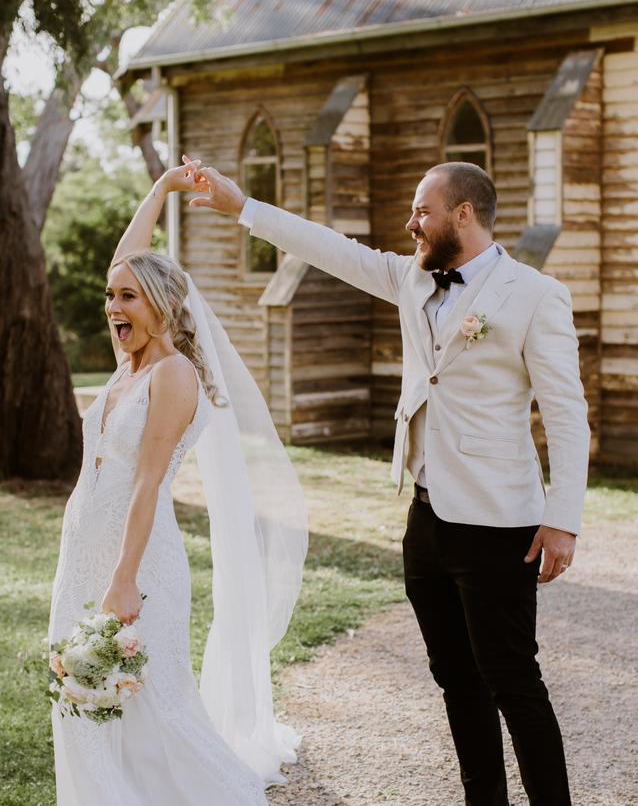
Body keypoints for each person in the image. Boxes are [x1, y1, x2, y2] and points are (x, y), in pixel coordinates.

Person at [189, 161, 590, 806]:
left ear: (463, 214)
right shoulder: (411, 278)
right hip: (427, 520)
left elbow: (568, 416)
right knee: (456, 680)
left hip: (498, 524)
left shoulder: (536, 295)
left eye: (422, 212)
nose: (411, 224)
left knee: (513, 680)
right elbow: (332, 250)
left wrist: (563, 517)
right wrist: (243, 207)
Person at [48, 159, 308, 805]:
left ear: (161, 305)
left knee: (155, 710)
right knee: (84, 705)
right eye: (110, 297)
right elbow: (125, 259)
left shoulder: (171, 375)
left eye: (127, 298)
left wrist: (123, 579)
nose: (113, 306)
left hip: (135, 566)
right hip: (80, 555)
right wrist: (162, 188)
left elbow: (147, 484)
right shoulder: (128, 364)